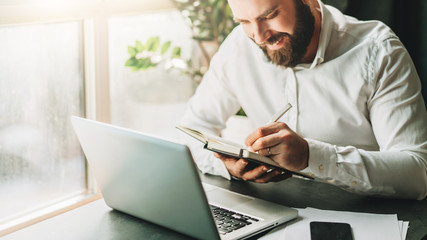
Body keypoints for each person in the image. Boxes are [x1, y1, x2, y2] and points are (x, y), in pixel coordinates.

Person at [179, 0, 427, 200]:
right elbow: (191, 132)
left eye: (270, 15)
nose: (258, 36)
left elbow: (416, 174)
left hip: (366, 214)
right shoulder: (238, 45)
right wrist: (227, 167)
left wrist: (310, 157)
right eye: (244, 21)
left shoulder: (378, 51)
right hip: (273, 209)